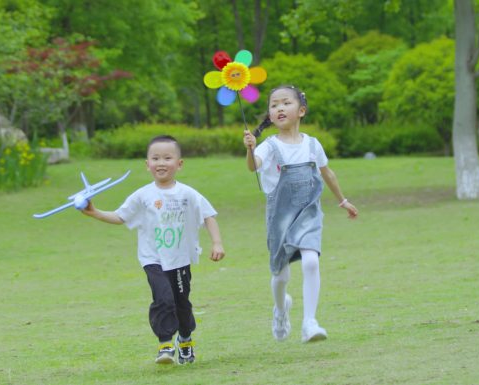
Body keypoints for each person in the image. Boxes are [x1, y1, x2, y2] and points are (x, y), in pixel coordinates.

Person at [82, 135, 225, 364]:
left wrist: (217, 243)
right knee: (163, 298)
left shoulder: (188, 194)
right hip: (153, 258)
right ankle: (165, 343)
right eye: (155, 158)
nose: (161, 163)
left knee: (182, 303)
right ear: (147, 164)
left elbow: (209, 214)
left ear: (179, 164)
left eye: (167, 158)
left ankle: (185, 340)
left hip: (179, 259)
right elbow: (120, 216)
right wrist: (94, 211)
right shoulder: (142, 195)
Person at [242, 85, 358, 343]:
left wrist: (343, 201)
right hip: (280, 218)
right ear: (270, 115)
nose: (279, 108)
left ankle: (310, 322)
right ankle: (281, 310)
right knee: (280, 275)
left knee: (311, 261)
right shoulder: (269, 146)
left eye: (286, 103)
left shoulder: (312, 145)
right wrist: (250, 148)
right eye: (274, 105)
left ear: (301, 110)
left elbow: (327, 173)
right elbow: (253, 167)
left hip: (309, 213)